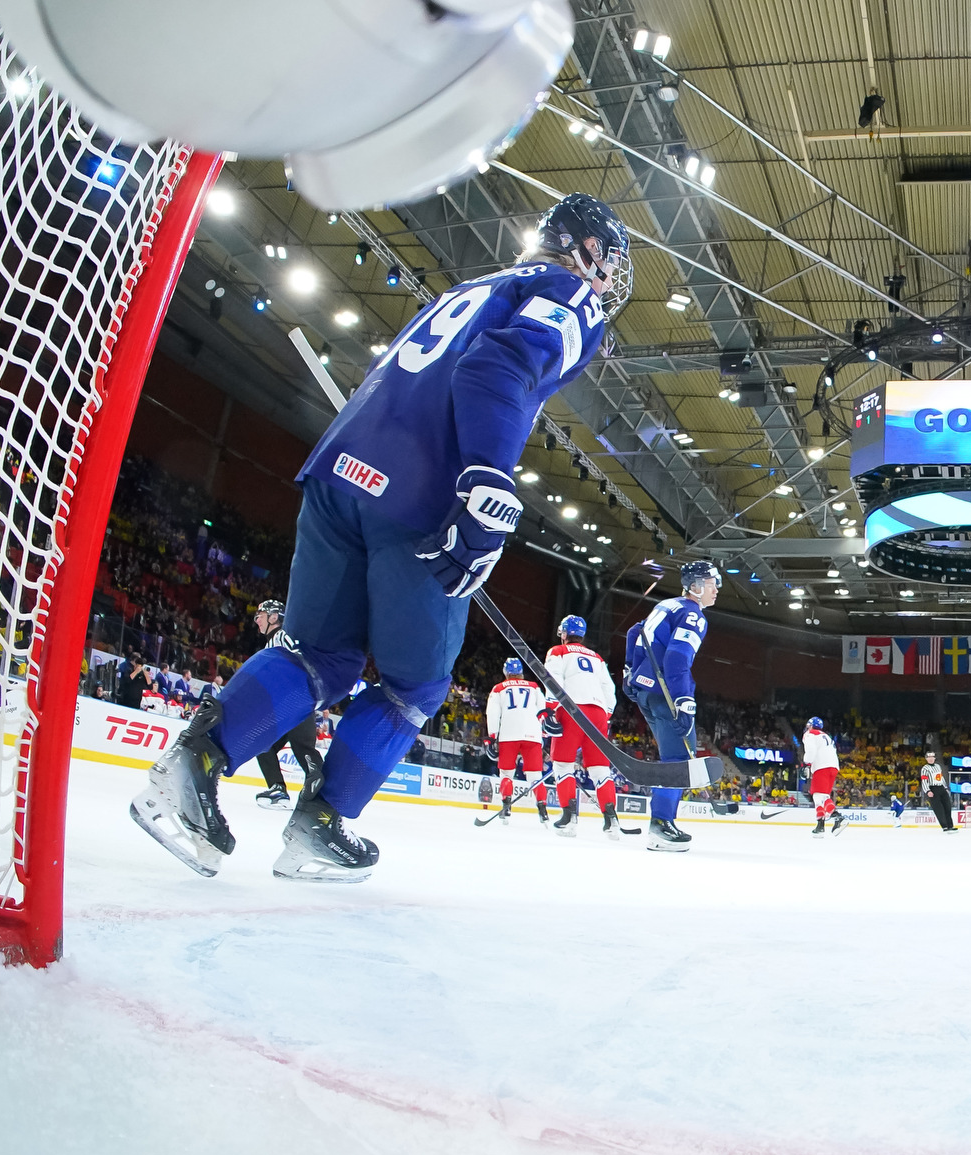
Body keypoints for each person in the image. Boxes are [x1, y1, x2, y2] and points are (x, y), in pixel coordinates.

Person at [129, 193, 627, 883]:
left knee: (317, 657)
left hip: (341, 471)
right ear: (585, 249)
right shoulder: (568, 293)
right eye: (609, 261)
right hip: (420, 498)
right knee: (414, 687)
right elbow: (498, 368)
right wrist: (486, 480)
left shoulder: (474, 287)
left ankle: (189, 768)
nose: (608, 278)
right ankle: (322, 824)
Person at [623, 559, 720, 853]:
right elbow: (677, 658)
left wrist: (630, 671)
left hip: (645, 690)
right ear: (696, 586)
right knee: (677, 762)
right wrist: (683, 699)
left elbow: (634, 632)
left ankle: (664, 822)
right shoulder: (693, 614)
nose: (716, 589)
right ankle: (660, 826)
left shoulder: (667, 605)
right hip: (665, 693)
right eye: (712, 584)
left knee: (673, 759)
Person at [543, 615, 621, 838]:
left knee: (563, 766)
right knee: (600, 769)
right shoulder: (597, 658)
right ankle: (612, 821)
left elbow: (553, 680)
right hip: (598, 713)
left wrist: (549, 709)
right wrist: (605, 715)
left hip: (571, 709)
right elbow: (609, 689)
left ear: (564, 633)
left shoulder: (558, 651)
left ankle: (569, 819)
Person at [247, 600, 323, 811]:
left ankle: (324, 798)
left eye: (260, 615)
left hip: (297, 701)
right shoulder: (271, 643)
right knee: (264, 746)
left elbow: (303, 660)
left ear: (273, 617)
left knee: (303, 749)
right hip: (285, 706)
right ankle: (278, 789)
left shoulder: (283, 636)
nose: (257, 620)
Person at [483, 656, 548, 824]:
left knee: (506, 773)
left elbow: (493, 714)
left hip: (508, 734)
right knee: (535, 776)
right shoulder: (534, 687)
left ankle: (506, 807)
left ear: (506, 672)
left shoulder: (498, 688)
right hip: (532, 735)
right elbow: (543, 710)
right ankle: (543, 810)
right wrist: (543, 733)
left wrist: (492, 737)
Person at [801, 717, 845, 837]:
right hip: (833, 767)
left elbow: (810, 752)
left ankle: (838, 817)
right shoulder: (826, 736)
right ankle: (820, 826)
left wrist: (806, 764)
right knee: (819, 796)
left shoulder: (810, 734)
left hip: (821, 766)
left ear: (810, 726)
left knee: (820, 796)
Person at [918, 750, 956, 832]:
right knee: (938, 808)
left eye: (932, 757)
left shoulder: (938, 766)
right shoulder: (925, 769)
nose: (931, 758)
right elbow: (924, 781)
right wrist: (928, 791)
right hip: (933, 788)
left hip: (941, 787)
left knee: (947, 806)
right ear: (926, 758)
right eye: (929, 757)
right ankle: (944, 826)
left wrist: (945, 787)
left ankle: (950, 825)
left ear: (935, 758)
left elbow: (941, 778)